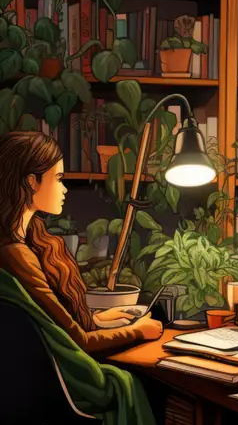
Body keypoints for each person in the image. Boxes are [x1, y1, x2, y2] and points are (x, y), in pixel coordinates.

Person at [0, 131, 163, 356]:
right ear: (31, 182)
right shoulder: (16, 255)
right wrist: (137, 331)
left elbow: (56, 324)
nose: (65, 188)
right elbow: (78, 341)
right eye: (58, 178)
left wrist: (95, 319)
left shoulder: (26, 242)